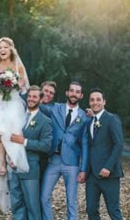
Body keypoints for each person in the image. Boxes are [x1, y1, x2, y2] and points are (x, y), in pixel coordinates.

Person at [0, 37, 30, 212]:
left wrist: (16, 84)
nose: (2, 50)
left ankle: (11, 156)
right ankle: (2, 161)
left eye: (5, 47)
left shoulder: (18, 66)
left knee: (12, 125)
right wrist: (1, 85)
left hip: (14, 101)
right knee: (0, 129)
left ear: (11, 49)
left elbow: (24, 86)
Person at [40, 81, 89, 220]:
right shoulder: (55, 108)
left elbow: (85, 144)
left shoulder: (84, 116)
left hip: (72, 163)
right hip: (53, 160)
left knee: (71, 202)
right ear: (67, 93)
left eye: (77, 92)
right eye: (71, 90)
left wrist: (83, 169)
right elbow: (38, 104)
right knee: (44, 197)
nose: (74, 94)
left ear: (81, 95)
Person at [9, 85, 53, 220]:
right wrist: (9, 157)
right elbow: (10, 139)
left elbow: (46, 146)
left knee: (32, 206)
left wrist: (25, 141)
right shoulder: (18, 117)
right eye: (29, 96)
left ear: (40, 99)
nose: (31, 99)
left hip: (31, 168)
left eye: (35, 97)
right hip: (14, 166)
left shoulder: (45, 121)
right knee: (16, 205)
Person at [86, 88, 124, 220]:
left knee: (113, 211)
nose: (95, 102)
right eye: (92, 100)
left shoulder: (112, 119)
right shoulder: (90, 121)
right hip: (92, 175)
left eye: (98, 99)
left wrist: (108, 167)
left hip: (109, 174)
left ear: (104, 102)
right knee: (91, 210)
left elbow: (118, 145)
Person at [39, 81, 57, 181]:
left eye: (51, 93)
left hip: (43, 155)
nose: (48, 94)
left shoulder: (52, 110)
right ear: (40, 90)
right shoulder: (28, 103)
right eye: (46, 91)